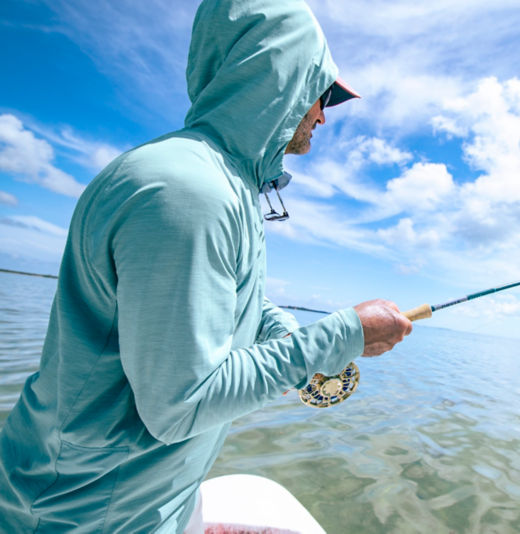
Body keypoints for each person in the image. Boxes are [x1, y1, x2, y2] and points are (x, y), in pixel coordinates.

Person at [0, 0, 412, 531]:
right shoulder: (189, 192)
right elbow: (180, 405)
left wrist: (282, 331)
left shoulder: (221, 184)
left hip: (140, 502)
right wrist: (341, 336)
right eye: (320, 93)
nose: (322, 115)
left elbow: (231, 298)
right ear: (277, 81)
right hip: (83, 515)